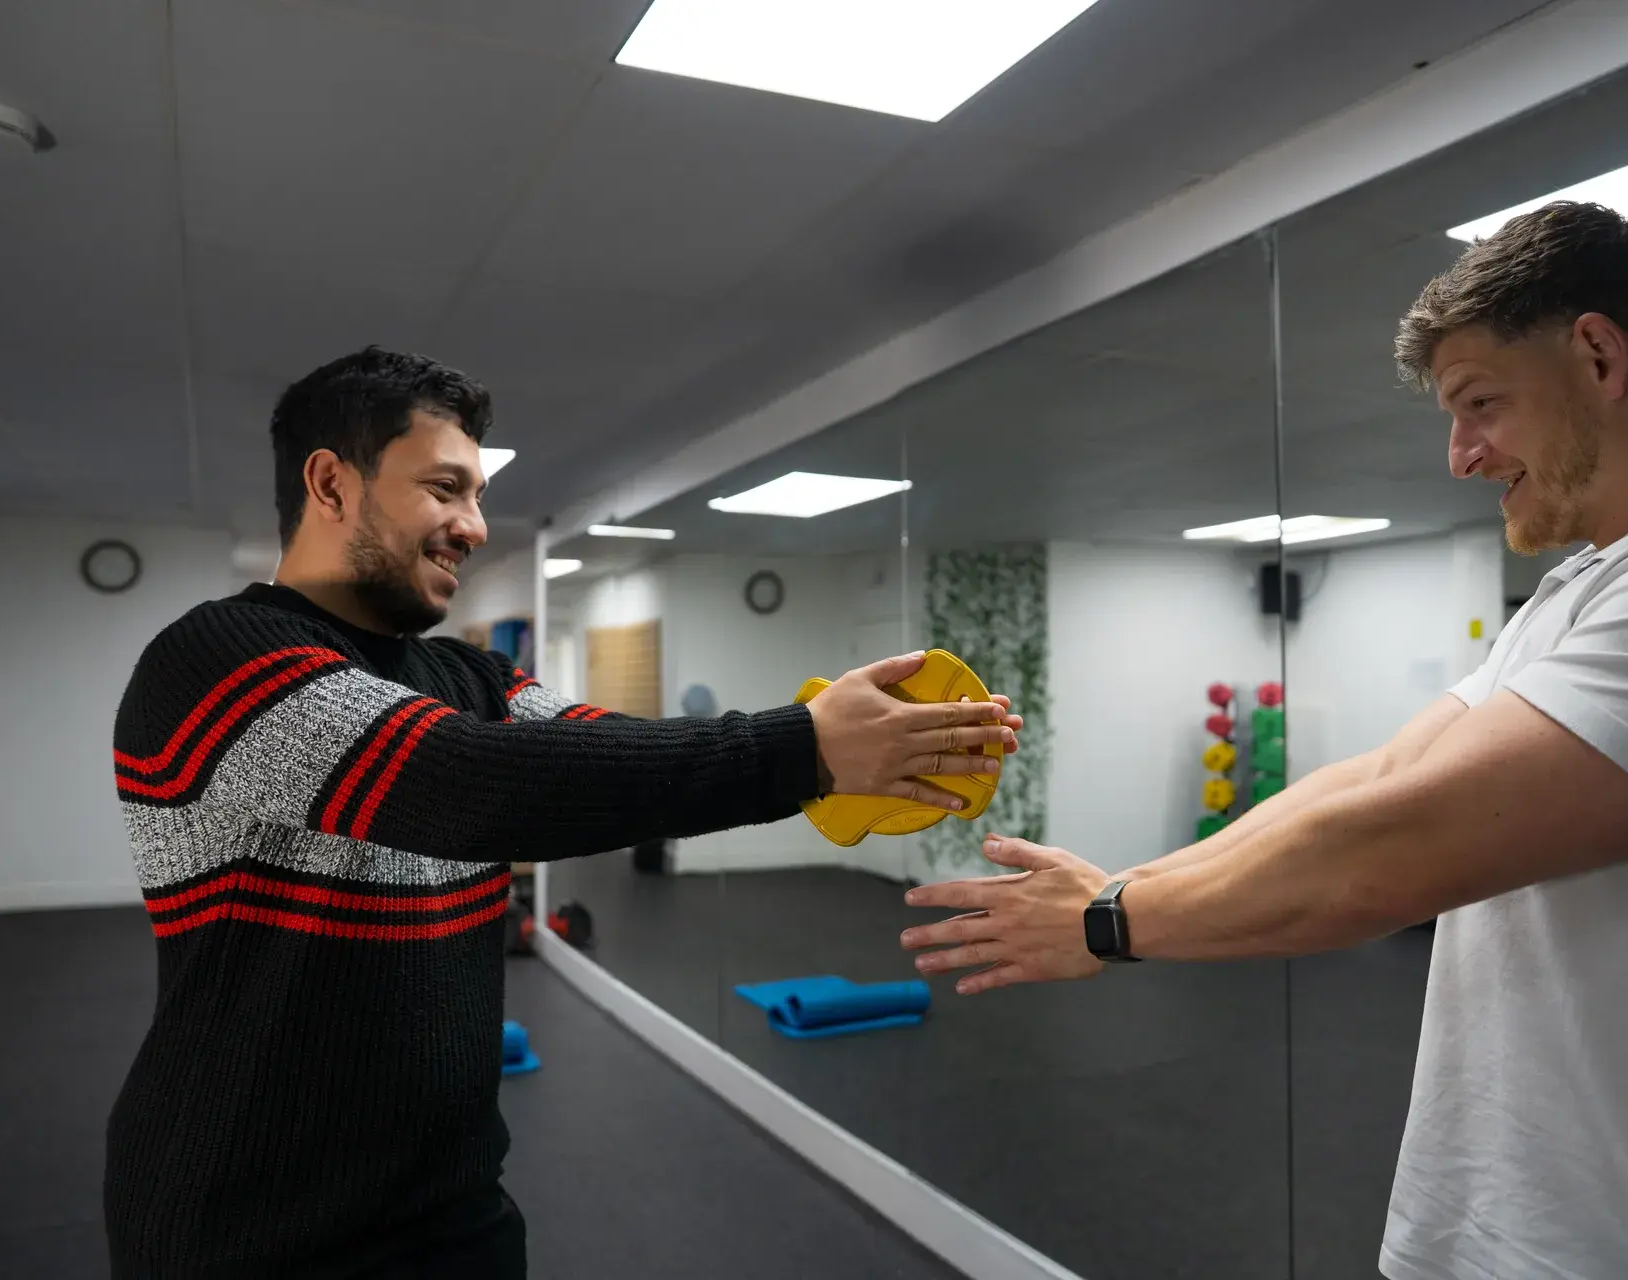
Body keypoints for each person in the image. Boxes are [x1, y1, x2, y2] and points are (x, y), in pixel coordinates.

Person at [899, 202, 1628, 1278]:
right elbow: (1378, 779)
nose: (1461, 456)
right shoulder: (1580, 590)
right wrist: (1124, 886)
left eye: (1481, 404)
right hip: (1497, 1230)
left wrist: (1108, 922)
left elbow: (1386, 853)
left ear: (1598, 355)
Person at [105, 346, 1023, 1278]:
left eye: (477, 495)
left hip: (451, 1210)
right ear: (330, 483)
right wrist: (805, 748)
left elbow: (606, 754)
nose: (474, 526)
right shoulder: (214, 660)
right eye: (445, 488)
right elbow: (462, 782)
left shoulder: (472, 677)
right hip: (247, 1230)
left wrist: (842, 753)